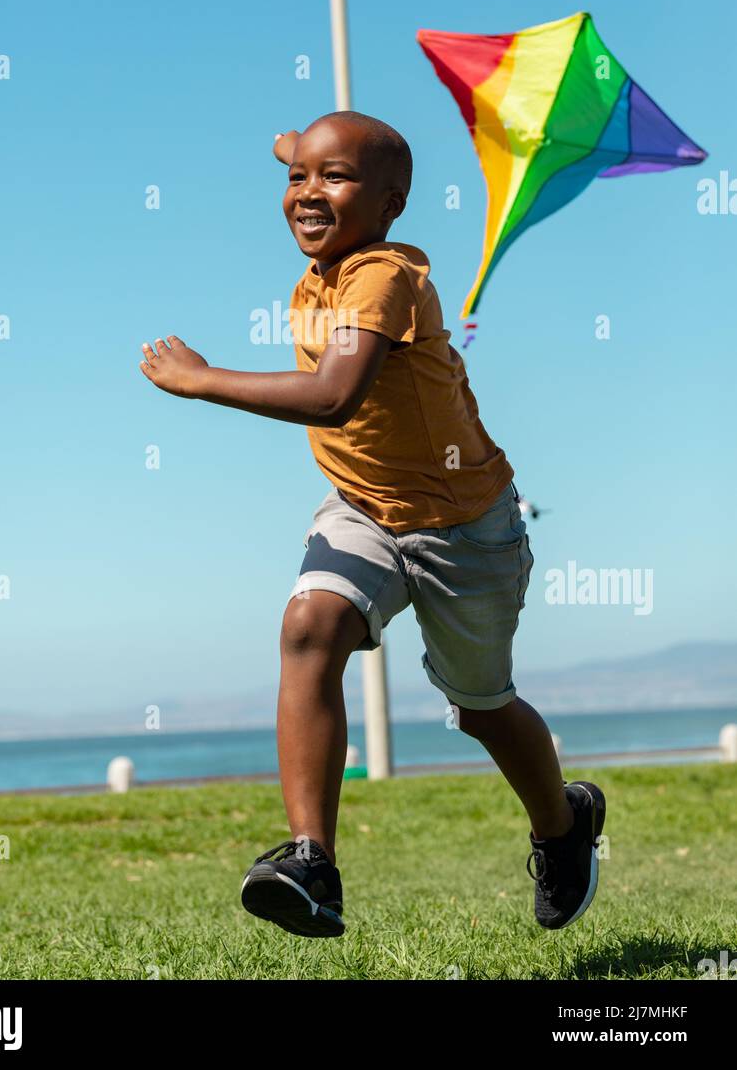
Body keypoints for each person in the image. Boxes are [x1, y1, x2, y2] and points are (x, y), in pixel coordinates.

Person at [139, 110, 605, 938]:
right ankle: (310, 863)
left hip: (462, 525)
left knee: (482, 705)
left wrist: (202, 379)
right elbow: (309, 159)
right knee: (309, 627)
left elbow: (333, 395)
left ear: (392, 204)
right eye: (297, 180)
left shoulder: (383, 275)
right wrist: (294, 148)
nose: (307, 193)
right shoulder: (325, 243)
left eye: (334, 179)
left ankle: (563, 827)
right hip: (360, 505)